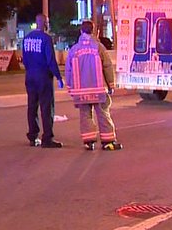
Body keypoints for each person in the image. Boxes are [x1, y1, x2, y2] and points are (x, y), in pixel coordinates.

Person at [65, 20, 121, 150]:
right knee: (103, 114)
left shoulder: (74, 50)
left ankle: (89, 142)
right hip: (98, 89)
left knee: (85, 115)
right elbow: (107, 66)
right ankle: (108, 142)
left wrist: (70, 87)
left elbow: (68, 70)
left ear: (81, 31)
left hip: (81, 91)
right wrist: (111, 85)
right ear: (94, 31)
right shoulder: (98, 47)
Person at [22, 13, 63, 148]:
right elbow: (50, 60)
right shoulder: (46, 39)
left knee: (32, 107)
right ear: (45, 23)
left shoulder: (27, 38)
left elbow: (25, 58)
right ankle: (47, 138)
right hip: (43, 77)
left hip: (30, 76)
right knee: (46, 108)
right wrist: (58, 76)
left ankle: (33, 136)